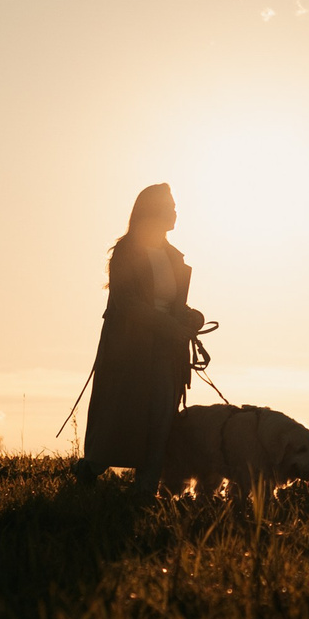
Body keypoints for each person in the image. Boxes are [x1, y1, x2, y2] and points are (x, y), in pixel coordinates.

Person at [78, 183, 205, 491]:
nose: (176, 213)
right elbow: (129, 304)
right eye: (170, 207)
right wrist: (171, 326)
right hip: (129, 349)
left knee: (162, 416)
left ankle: (145, 491)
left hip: (166, 349)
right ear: (153, 211)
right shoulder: (125, 253)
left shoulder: (174, 257)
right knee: (123, 417)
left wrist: (191, 317)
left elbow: (173, 304)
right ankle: (90, 470)